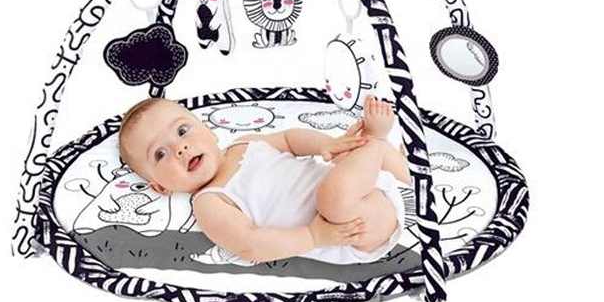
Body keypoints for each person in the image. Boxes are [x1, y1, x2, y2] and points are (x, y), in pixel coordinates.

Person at [118, 94, 411, 265]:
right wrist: (313, 236)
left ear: (207, 129)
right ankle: (376, 140)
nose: (180, 148)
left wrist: (327, 144)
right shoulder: (210, 202)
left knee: (347, 161)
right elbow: (251, 245)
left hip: (362, 182)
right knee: (332, 198)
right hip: (350, 229)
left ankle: (406, 170)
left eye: (182, 131)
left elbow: (290, 139)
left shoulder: (243, 143)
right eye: (160, 154)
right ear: (161, 187)